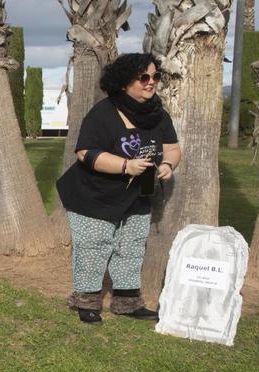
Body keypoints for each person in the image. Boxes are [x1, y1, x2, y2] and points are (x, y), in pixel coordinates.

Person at [56, 53, 182, 324]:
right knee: (93, 247)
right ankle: (87, 302)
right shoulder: (103, 113)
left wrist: (168, 164)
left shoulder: (158, 114)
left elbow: (172, 147)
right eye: (144, 77)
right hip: (94, 194)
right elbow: (86, 153)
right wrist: (125, 166)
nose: (151, 83)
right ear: (124, 83)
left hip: (137, 194)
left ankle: (128, 303)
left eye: (155, 77)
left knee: (131, 247)